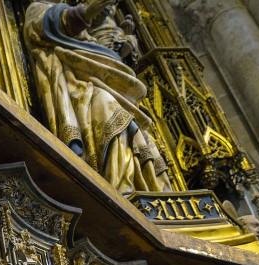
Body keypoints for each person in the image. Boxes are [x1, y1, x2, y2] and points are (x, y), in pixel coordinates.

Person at [23, 0, 173, 194]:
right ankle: (121, 189)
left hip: (96, 83)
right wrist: (87, 12)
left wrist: (124, 48)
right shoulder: (37, 8)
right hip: (75, 85)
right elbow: (52, 24)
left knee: (139, 133)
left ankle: (154, 192)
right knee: (108, 108)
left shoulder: (88, 33)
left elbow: (104, 54)